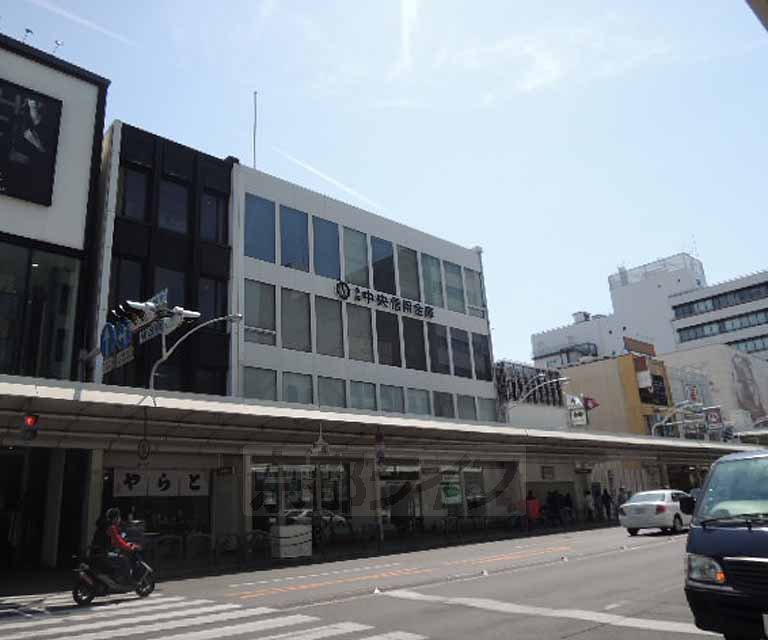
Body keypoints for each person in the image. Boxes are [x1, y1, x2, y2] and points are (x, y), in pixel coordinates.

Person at [105, 507, 139, 584]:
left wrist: (127, 544)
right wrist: (130, 548)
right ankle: (128, 580)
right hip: (106, 553)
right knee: (124, 559)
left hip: (105, 551)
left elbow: (118, 540)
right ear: (115, 518)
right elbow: (119, 542)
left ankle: (119, 577)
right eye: (119, 517)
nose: (120, 519)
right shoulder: (111, 528)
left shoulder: (108, 526)